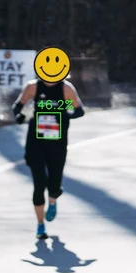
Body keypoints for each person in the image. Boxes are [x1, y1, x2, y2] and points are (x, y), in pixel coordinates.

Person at [12, 70, 85, 239]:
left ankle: (53, 199)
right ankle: (40, 225)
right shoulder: (33, 87)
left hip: (57, 144)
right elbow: (18, 106)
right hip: (35, 143)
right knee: (39, 184)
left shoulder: (66, 89)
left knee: (54, 184)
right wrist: (19, 116)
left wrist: (64, 111)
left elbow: (79, 110)